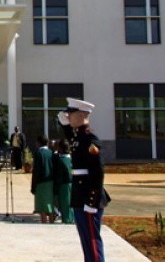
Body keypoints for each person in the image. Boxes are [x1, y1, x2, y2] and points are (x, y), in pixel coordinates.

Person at [57, 98, 110, 262]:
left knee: (92, 241)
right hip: (80, 195)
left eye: (71, 114)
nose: (68, 116)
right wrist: (64, 125)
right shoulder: (79, 137)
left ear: (81, 115)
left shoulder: (90, 139)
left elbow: (97, 172)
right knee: (86, 240)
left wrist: (92, 201)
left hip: (88, 196)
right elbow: (72, 140)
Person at [31, 134, 54, 223]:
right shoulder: (51, 152)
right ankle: (52, 221)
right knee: (49, 204)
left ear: (38, 143)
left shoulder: (38, 153)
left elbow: (36, 170)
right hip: (50, 181)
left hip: (40, 182)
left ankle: (44, 222)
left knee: (42, 205)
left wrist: (33, 186)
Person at [52, 138, 74, 224]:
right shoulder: (71, 158)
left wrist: (55, 190)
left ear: (60, 148)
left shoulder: (61, 160)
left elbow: (58, 177)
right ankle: (71, 219)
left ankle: (67, 220)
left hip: (63, 186)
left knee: (65, 204)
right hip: (72, 184)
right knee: (70, 205)